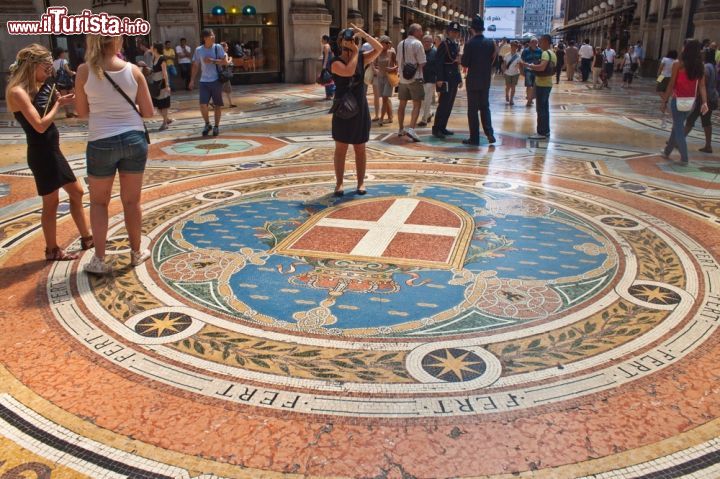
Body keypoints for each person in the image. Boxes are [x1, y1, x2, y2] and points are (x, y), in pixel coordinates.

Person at [74, 35, 154, 274]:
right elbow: (148, 112)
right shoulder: (134, 71)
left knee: (99, 202)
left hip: (100, 140)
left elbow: (81, 112)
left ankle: (99, 259)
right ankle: (136, 252)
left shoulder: (83, 71)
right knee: (131, 201)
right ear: (117, 43)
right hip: (133, 139)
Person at [6, 44, 92, 261]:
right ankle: (53, 249)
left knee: (76, 192)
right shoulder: (17, 91)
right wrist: (59, 105)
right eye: (45, 69)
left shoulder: (34, 88)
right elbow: (40, 125)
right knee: (52, 202)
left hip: (51, 151)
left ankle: (87, 237)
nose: (48, 73)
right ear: (32, 66)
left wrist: (58, 101)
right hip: (42, 153)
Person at [330, 24, 383, 196]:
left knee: (360, 147)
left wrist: (364, 35)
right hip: (343, 109)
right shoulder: (335, 62)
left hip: (359, 108)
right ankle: (339, 184)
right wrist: (355, 52)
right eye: (346, 40)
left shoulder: (361, 57)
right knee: (341, 148)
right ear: (340, 43)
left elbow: (379, 48)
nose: (350, 42)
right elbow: (348, 71)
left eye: (352, 39)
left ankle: (361, 183)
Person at [660, 39, 709, 166]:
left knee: (679, 128)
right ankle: (667, 151)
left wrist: (664, 101)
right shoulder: (700, 65)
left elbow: (671, 84)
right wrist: (704, 102)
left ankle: (684, 158)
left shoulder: (678, 64)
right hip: (691, 103)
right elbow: (702, 86)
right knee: (677, 125)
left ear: (686, 49)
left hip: (677, 101)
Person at [460, 15, 496, 146]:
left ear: (472, 29)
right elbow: (493, 60)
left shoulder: (470, 44)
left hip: (473, 81)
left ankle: (474, 138)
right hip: (485, 80)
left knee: (472, 110)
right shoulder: (490, 43)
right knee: (485, 107)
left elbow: (465, 63)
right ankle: (490, 133)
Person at [189, 29, 229, 137]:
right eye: (211, 35)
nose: (214, 37)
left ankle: (216, 126)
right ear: (205, 38)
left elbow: (225, 62)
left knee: (217, 105)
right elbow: (195, 65)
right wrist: (192, 80)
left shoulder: (218, 47)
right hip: (203, 81)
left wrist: (212, 60)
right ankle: (207, 124)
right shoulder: (199, 50)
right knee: (203, 105)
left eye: (213, 35)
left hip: (216, 80)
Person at [521, 34, 556, 140]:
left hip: (542, 84)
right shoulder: (553, 53)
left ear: (546, 41)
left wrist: (529, 65)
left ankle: (541, 132)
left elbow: (541, 68)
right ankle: (546, 131)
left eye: (540, 41)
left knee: (540, 109)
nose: (539, 43)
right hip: (548, 83)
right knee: (545, 108)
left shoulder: (545, 53)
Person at [396, 23, 426, 142]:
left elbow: (398, 60)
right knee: (416, 104)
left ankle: (400, 128)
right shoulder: (417, 44)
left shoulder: (400, 43)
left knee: (402, 104)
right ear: (415, 31)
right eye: (420, 31)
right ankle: (412, 130)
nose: (422, 33)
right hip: (415, 78)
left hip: (403, 79)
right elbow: (422, 62)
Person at [683, 48, 717, 153]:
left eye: (703, 54)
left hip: (704, 99)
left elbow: (703, 84)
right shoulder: (713, 67)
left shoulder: (706, 67)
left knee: (691, 118)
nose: (701, 54)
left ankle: (677, 140)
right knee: (706, 122)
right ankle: (708, 145)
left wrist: (697, 96)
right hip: (711, 97)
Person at [432, 22, 463, 139]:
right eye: (453, 31)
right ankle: (436, 128)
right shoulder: (444, 45)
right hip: (445, 78)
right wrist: (439, 78)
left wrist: (459, 79)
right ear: (448, 32)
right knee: (443, 104)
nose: (454, 34)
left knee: (449, 105)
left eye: (456, 32)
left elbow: (456, 64)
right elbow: (439, 63)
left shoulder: (455, 44)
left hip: (453, 79)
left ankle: (443, 127)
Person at [373, 36, 397, 126]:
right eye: (385, 43)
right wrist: (375, 70)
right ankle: (390, 117)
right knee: (384, 98)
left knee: (385, 98)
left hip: (388, 78)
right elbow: (374, 64)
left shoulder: (391, 52)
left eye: (388, 43)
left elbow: (398, 65)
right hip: (380, 77)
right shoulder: (377, 52)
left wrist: (392, 68)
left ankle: (381, 118)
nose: (387, 45)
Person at [150, 42, 172, 130]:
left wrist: (167, 85)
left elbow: (164, 72)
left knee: (163, 104)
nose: (151, 48)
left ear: (155, 49)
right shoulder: (154, 57)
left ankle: (165, 123)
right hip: (155, 84)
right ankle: (167, 119)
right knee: (156, 104)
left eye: (152, 47)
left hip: (161, 84)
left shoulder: (162, 58)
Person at [52, 47, 77, 118]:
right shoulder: (64, 61)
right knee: (74, 95)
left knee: (64, 98)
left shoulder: (53, 63)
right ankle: (75, 111)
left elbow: (55, 75)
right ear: (61, 54)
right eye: (64, 52)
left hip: (60, 83)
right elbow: (68, 71)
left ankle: (68, 113)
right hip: (67, 82)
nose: (65, 54)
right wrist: (74, 73)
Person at [418, 35, 437, 127]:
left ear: (432, 42)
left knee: (427, 100)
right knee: (421, 100)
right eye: (425, 41)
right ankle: (429, 113)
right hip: (420, 79)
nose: (427, 43)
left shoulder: (435, 52)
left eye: (429, 41)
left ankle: (424, 120)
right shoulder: (420, 52)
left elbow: (439, 66)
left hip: (431, 79)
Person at [521, 37, 541, 107]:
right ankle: (529, 100)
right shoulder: (525, 51)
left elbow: (541, 61)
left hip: (536, 70)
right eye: (532, 42)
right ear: (530, 43)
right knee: (529, 86)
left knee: (534, 86)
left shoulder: (540, 51)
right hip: (528, 70)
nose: (534, 44)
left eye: (535, 42)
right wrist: (521, 71)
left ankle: (530, 98)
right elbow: (522, 61)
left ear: (537, 43)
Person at [503, 40, 521, 105]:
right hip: (507, 73)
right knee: (508, 86)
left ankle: (511, 99)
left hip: (516, 73)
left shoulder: (519, 56)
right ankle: (507, 94)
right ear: (511, 47)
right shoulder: (506, 55)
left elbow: (519, 64)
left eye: (515, 46)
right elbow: (504, 64)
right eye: (513, 46)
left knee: (513, 87)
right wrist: (503, 72)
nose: (514, 47)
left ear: (517, 47)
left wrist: (519, 67)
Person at [220, 41, 236, 107]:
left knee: (227, 89)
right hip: (225, 74)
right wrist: (230, 59)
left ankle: (231, 103)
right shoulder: (225, 54)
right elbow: (226, 64)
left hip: (222, 73)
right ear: (223, 47)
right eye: (226, 46)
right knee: (221, 89)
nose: (227, 47)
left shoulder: (219, 54)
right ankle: (213, 101)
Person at [321, 35, 336, 100]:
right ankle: (331, 93)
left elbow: (326, 56)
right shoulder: (329, 46)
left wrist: (324, 66)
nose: (321, 40)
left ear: (325, 40)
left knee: (326, 79)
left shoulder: (326, 46)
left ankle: (329, 94)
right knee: (329, 78)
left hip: (327, 64)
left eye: (322, 39)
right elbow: (332, 55)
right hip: (329, 64)